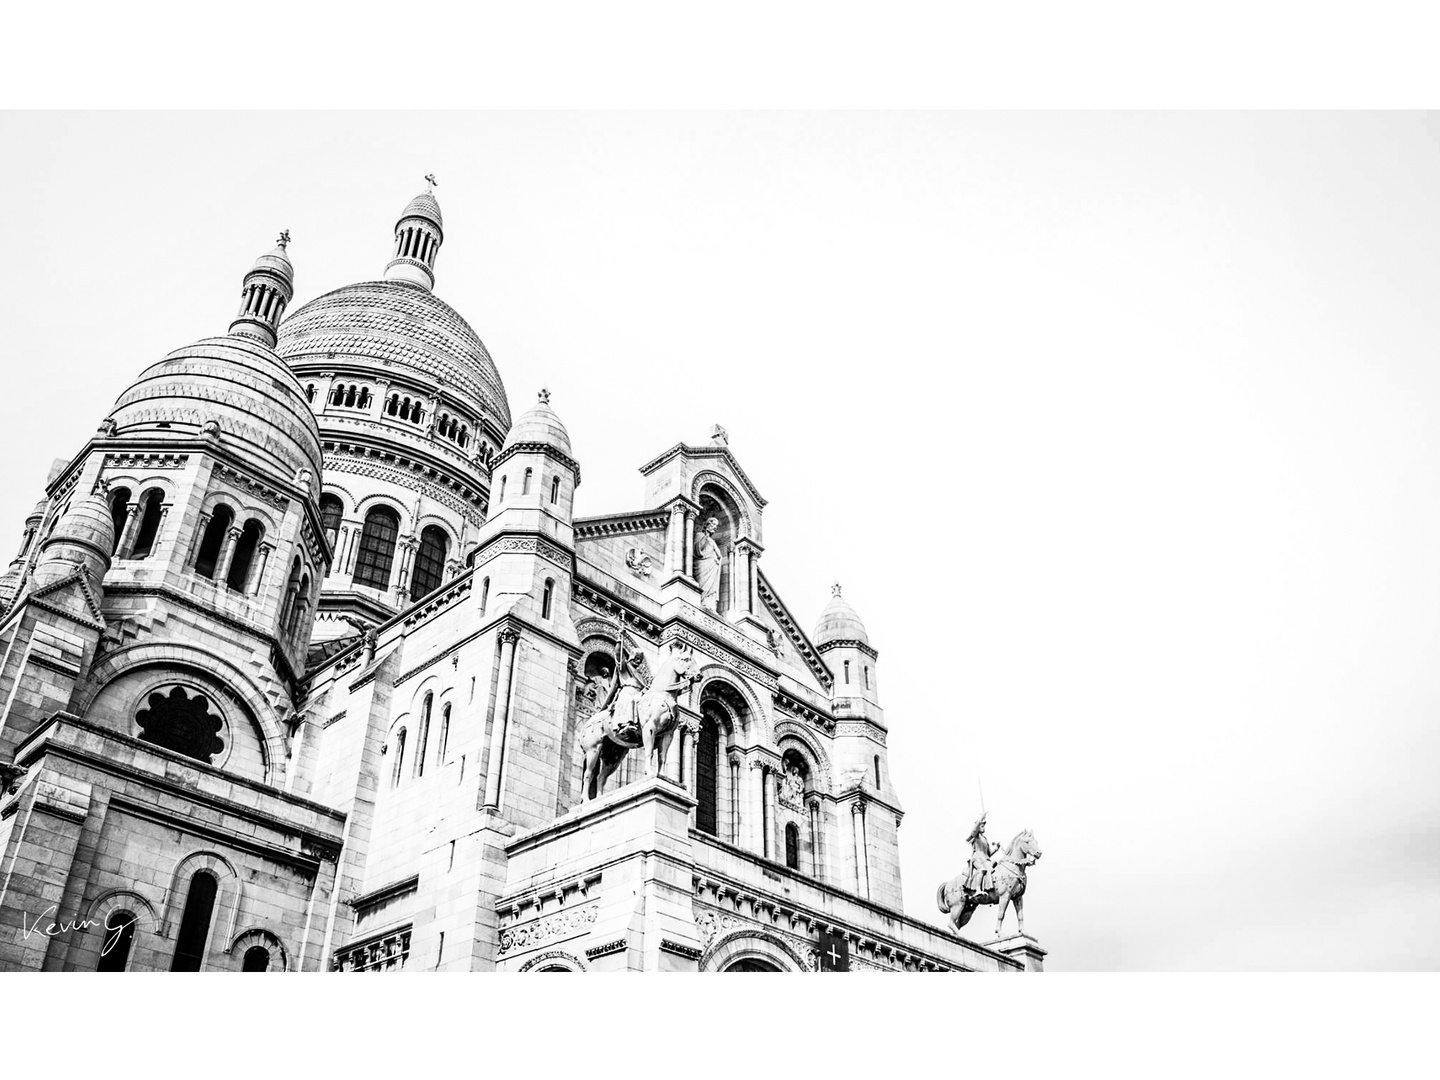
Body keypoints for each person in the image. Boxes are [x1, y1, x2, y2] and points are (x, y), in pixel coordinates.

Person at [964, 812, 998, 897]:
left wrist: (996, 848)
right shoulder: (975, 836)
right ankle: (978, 889)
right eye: (982, 826)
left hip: (985, 859)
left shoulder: (984, 839)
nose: (984, 828)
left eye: (984, 826)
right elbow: (973, 831)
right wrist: (981, 819)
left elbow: (989, 853)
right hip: (977, 858)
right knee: (982, 870)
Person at [694, 516, 723, 610]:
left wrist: (717, 558)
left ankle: (710, 605)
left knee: (711, 588)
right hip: (702, 566)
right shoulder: (699, 535)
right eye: (713, 524)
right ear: (707, 524)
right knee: (702, 585)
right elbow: (696, 550)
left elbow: (719, 555)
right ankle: (701, 601)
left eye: (716, 525)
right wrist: (705, 537)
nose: (715, 527)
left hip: (712, 567)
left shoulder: (713, 541)